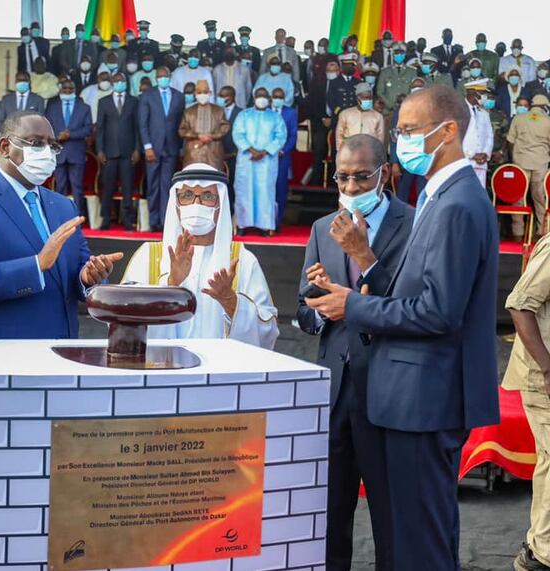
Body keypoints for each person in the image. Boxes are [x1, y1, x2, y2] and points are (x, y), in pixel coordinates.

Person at [305, 85, 500, 570]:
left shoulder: (455, 203)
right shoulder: (444, 195)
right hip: (414, 394)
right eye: (401, 131)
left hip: (426, 396)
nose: (403, 140)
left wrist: (353, 305)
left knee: (420, 543)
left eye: (411, 130)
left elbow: (437, 311)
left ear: (449, 131)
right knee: (417, 535)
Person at [0, 110, 121, 571]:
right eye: (34, 143)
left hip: (55, 374)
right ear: (5, 145)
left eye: (52, 146)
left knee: (47, 503)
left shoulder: (60, 206)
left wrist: (87, 276)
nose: (46, 154)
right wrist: (35, 266)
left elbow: (73, 276)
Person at [298, 133, 414, 571]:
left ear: (384, 173)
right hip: (334, 391)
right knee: (329, 512)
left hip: (387, 389)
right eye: (342, 178)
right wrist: (324, 309)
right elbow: (303, 313)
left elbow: (413, 306)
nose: (350, 188)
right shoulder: (321, 227)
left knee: (390, 515)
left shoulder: (413, 223)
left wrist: (364, 258)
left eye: (361, 178)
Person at [121, 163, 278, 348]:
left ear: (220, 204)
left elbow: (268, 331)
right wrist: (170, 285)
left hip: (219, 372)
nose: (197, 204)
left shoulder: (242, 260)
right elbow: (123, 319)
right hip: (162, 370)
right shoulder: (148, 256)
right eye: (187, 195)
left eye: (207, 196)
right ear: (177, 204)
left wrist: (231, 302)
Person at [503, 233, 550, 571]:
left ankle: (538, 549)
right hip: (542, 379)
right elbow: (520, 306)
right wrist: (548, 368)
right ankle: (541, 555)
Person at [233, 87, 286, 236]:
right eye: (259, 95)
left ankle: (264, 226)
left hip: (266, 161)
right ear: (254, 96)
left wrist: (264, 151)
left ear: (269, 99)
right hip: (247, 160)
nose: (261, 98)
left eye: (264, 95)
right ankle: (243, 224)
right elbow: (237, 134)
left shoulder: (276, 117)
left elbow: (280, 136)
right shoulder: (244, 115)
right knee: (244, 192)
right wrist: (251, 150)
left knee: (265, 193)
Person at [138, 65, 185, 231]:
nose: (163, 78)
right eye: (160, 76)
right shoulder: (147, 95)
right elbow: (142, 124)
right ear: (156, 78)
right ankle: (153, 221)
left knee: (167, 186)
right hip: (153, 148)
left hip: (171, 147)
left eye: (165, 75)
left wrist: (181, 148)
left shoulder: (179, 96)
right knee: (153, 186)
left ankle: (165, 221)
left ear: (170, 76)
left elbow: (181, 123)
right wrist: (147, 147)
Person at [95, 73, 140, 230]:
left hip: (128, 152)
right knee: (108, 187)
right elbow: (100, 128)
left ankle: (128, 220)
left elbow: (137, 127)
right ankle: (106, 219)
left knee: (127, 188)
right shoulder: (104, 102)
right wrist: (99, 150)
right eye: (117, 81)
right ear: (112, 83)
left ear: (126, 83)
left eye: (122, 80)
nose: (120, 83)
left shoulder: (134, 101)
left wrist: (137, 149)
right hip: (109, 152)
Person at [45, 79, 92, 217]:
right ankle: (60, 217)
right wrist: (55, 137)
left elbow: (88, 129)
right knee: (60, 186)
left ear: (74, 90)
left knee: (77, 186)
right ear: (60, 90)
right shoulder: (52, 107)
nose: (67, 91)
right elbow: (47, 127)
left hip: (76, 152)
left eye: (70, 89)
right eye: (64, 89)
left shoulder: (84, 107)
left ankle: (77, 216)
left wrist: (70, 135)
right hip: (58, 152)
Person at [507, 94, 550, 241]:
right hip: (540, 164)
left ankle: (517, 232)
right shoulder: (548, 121)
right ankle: (541, 232)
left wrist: (514, 158)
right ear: (545, 107)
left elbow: (510, 141)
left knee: (518, 197)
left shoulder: (519, 119)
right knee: (540, 198)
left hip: (521, 163)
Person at [390, 77, 428, 203]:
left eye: (420, 87)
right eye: (414, 87)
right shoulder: (402, 110)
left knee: (423, 192)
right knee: (403, 193)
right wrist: (394, 162)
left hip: (424, 157)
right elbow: (395, 137)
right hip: (407, 158)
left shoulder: (431, 111)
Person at [179, 80, 230, 169]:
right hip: (193, 154)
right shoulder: (188, 112)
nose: (202, 95)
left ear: (210, 93)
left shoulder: (219, 111)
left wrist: (211, 136)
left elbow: (225, 127)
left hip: (213, 153)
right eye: (199, 92)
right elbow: (182, 131)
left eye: (205, 92)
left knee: (213, 180)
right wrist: (198, 136)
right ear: (195, 93)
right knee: (193, 180)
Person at [307, 61, 341, 187]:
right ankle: (317, 183)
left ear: (339, 71)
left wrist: (333, 119)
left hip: (337, 124)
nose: (331, 73)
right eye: (329, 70)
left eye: (334, 70)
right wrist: (323, 118)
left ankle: (333, 183)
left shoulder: (342, 85)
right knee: (319, 150)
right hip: (321, 123)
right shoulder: (318, 85)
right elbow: (312, 104)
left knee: (336, 153)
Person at [272, 87, 298, 225]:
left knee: (281, 188)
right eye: (275, 96)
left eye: (280, 97)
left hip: (282, 156)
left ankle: (278, 220)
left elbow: (293, 135)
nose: (277, 99)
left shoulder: (290, 113)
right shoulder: (267, 111)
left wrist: (284, 150)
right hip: (266, 157)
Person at [461, 80, 494, 187]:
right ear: (473, 93)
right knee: (464, 194)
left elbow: (489, 135)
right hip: (465, 161)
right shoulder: (458, 111)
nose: (485, 97)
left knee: (480, 194)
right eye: (483, 94)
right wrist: (472, 154)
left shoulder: (483, 113)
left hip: (481, 162)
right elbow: (456, 137)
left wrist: (485, 154)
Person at [335, 83, 385, 152]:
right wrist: (341, 152)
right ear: (358, 98)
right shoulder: (345, 114)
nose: (369, 100)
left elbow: (380, 139)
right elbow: (339, 135)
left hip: (370, 153)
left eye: (370, 98)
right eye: (366, 98)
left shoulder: (378, 116)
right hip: (349, 152)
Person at [219, 86, 242, 210]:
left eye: (224, 96)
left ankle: (233, 214)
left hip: (235, 156)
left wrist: (234, 153)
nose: (221, 98)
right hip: (218, 156)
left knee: (234, 187)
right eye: (220, 95)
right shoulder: (216, 111)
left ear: (232, 97)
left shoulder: (241, 113)